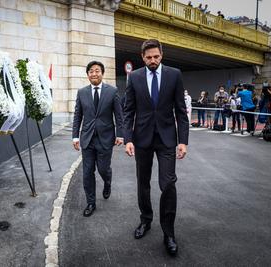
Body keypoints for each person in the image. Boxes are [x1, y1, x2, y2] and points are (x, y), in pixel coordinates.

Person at [123, 39, 189, 256]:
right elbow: (128, 111)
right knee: (143, 183)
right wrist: (128, 138)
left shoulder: (174, 74)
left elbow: (181, 110)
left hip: (167, 139)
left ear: (162, 55)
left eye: (156, 57)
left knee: (168, 184)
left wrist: (183, 141)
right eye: (149, 57)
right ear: (143, 57)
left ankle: (168, 233)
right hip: (141, 139)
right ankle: (146, 220)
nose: (153, 61)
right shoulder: (134, 77)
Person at [72, 61, 123, 217]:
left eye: (97, 71)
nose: (94, 74)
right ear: (87, 74)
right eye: (91, 71)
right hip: (87, 139)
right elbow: (78, 115)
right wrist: (75, 136)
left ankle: (107, 182)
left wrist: (120, 134)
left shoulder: (112, 91)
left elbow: (119, 116)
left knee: (103, 169)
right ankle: (91, 203)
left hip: (106, 138)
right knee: (87, 172)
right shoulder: (81, 92)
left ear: (102, 73)